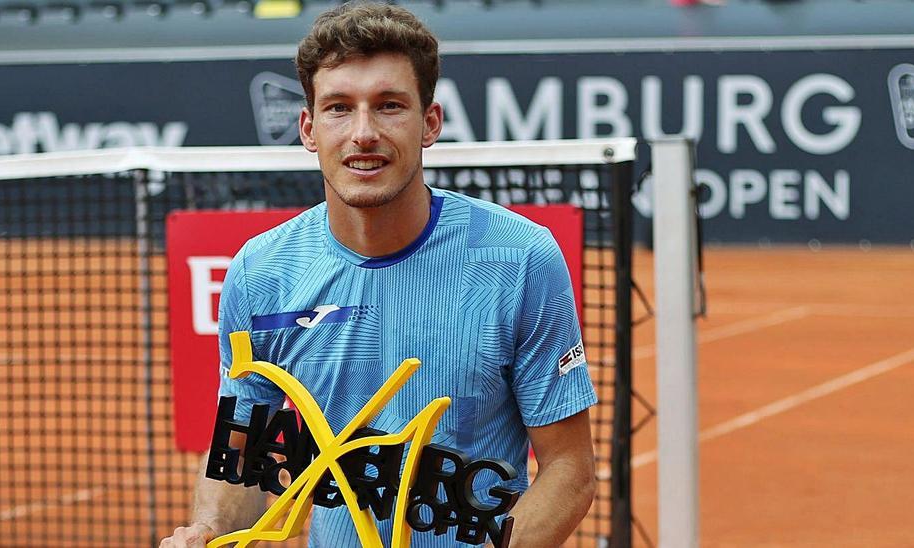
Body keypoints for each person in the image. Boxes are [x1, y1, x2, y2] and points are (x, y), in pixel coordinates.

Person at [159, 2, 597, 547]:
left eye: (389, 106)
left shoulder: (521, 258)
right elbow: (241, 455)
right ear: (308, 128)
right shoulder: (259, 273)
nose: (363, 133)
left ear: (429, 123)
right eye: (339, 108)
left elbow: (570, 471)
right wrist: (208, 528)